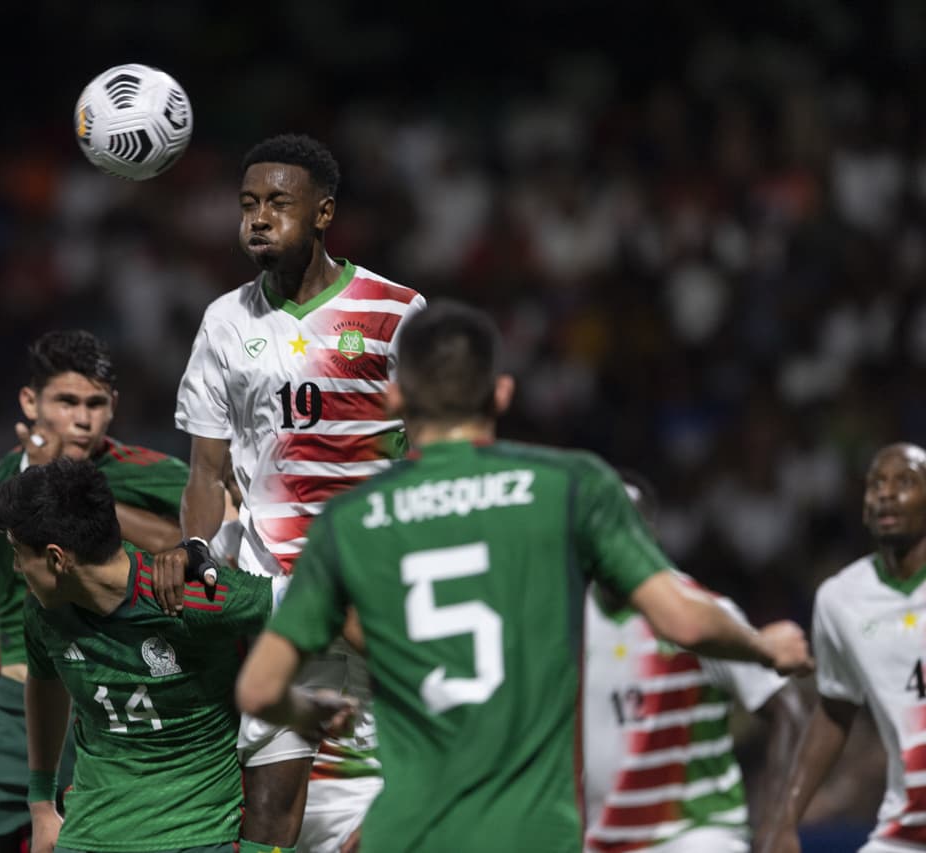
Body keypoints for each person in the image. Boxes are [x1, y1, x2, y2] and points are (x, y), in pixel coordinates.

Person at [235, 300, 814, 853]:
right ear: (502, 393)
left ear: (394, 397)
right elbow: (683, 621)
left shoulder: (350, 521)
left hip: (404, 829)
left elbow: (259, 688)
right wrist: (762, 645)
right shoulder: (570, 486)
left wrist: (305, 712)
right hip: (532, 831)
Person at [168, 132, 426, 853]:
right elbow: (205, 469)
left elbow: (435, 454)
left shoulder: (397, 311)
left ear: (323, 213)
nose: (258, 216)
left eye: (278, 202)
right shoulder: (225, 321)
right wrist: (196, 548)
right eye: (248, 203)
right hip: (277, 587)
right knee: (270, 802)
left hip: (377, 587)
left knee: (404, 785)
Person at [0, 328, 195, 853]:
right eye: (66, 401)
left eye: (96, 403)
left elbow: (212, 536)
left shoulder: (152, 473)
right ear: (31, 401)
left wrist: (72, 492)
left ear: (113, 406)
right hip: (15, 708)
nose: (82, 417)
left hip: (115, 703)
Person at [0, 457, 346, 853]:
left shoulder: (189, 597)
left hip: (195, 837)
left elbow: (332, 602)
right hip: (85, 837)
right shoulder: (44, 611)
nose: (17, 567)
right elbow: (45, 683)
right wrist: (41, 803)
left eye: (18, 553)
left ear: (57, 558)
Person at [582, 469, 807, 853]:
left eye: (628, 524)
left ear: (652, 534)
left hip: (698, 836)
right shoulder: (565, 621)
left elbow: (788, 707)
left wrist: (777, 823)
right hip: (600, 841)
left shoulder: (701, 612)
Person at [759, 442, 926, 853]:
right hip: (907, 827)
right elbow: (835, 708)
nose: (886, 492)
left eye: (905, 482)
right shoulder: (840, 599)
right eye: (876, 484)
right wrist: (786, 817)